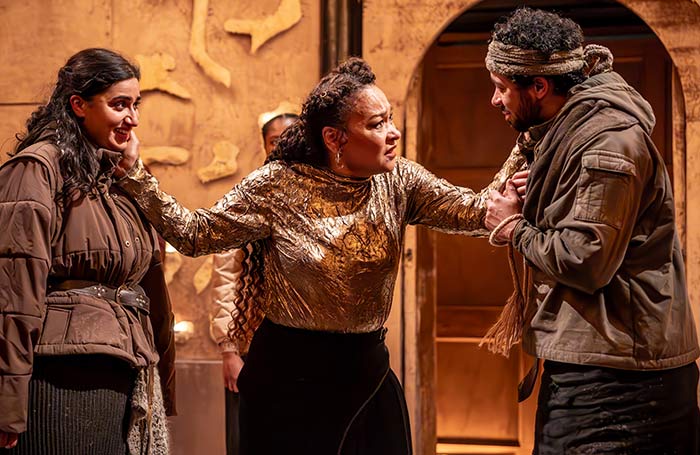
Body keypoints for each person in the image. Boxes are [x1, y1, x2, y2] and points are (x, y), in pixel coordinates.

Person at [115, 57, 526, 455]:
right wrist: (135, 174)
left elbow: (477, 212)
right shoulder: (277, 185)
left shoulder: (401, 180)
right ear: (334, 138)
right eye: (377, 123)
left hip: (366, 376)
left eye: (391, 119)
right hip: (287, 380)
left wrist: (530, 136)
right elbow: (195, 234)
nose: (393, 133)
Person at [482, 8, 700, 454]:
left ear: (539, 87)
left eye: (502, 88)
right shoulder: (567, 134)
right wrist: (540, 192)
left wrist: (512, 226)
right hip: (600, 365)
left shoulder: (607, 142)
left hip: (620, 379)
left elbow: (585, 259)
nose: (495, 100)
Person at [0, 48, 177, 454]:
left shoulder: (115, 176)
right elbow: (13, 293)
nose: (132, 118)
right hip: (62, 374)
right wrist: (7, 399)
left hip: (122, 366)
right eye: (119, 105)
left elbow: (152, 278)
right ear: (78, 105)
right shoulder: (39, 168)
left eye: (135, 105)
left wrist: (134, 176)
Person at [209, 110, 298, 455]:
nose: (285, 145)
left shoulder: (320, 193)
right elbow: (225, 276)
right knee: (249, 438)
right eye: (276, 140)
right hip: (251, 341)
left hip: (303, 347)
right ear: (264, 145)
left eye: (292, 137)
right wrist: (228, 349)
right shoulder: (248, 196)